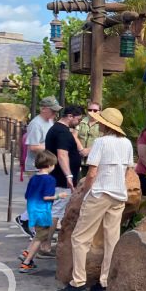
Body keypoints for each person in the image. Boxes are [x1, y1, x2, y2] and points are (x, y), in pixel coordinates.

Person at [55, 107, 133, 291]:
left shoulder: (101, 142)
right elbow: (127, 170)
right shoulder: (127, 143)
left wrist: (85, 193)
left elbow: (92, 172)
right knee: (111, 239)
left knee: (80, 237)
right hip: (118, 195)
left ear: (104, 124)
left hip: (100, 193)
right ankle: (105, 281)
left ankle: (78, 282)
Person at [15, 96, 61, 239]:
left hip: (47, 164)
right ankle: (25, 220)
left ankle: (28, 220)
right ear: (43, 109)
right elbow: (33, 146)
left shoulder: (50, 121)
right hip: (37, 165)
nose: (55, 114)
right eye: (52, 111)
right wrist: (52, 146)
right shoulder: (36, 124)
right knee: (40, 197)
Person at [18, 151, 66, 273]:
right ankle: (26, 262)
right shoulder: (50, 179)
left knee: (37, 234)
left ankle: (26, 253)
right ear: (50, 165)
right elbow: (46, 197)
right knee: (41, 236)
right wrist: (59, 196)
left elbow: (27, 195)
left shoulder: (34, 178)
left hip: (32, 208)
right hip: (42, 210)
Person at [44, 104, 83, 253]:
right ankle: (45, 245)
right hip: (61, 178)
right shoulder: (61, 132)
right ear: (70, 116)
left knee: (56, 210)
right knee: (56, 211)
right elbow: (62, 154)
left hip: (58, 176)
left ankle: (44, 243)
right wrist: (69, 175)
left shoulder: (60, 130)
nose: (78, 122)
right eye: (78, 119)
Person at [76, 101, 102, 178]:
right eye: (90, 110)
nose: (92, 112)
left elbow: (103, 140)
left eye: (95, 110)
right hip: (79, 158)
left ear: (100, 111)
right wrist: (81, 150)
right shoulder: (80, 122)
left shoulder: (102, 124)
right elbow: (74, 136)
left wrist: (89, 150)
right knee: (79, 183)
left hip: (95, 160)